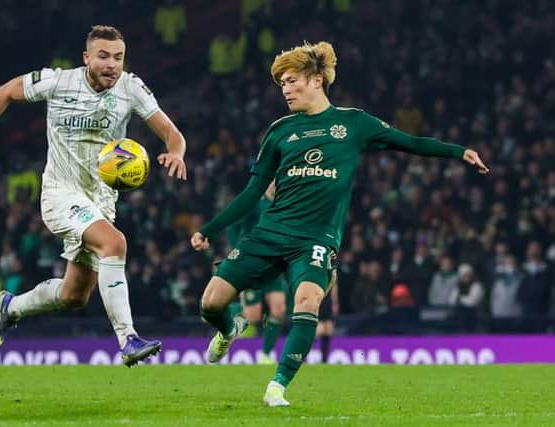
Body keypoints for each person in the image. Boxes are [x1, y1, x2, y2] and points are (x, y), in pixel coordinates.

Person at [191, 41, 488, 406]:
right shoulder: (280, 131)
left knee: (307, 300)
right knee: (210, 303)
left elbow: (408, 142)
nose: (285, 89)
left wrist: (459, 152)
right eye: (281, 83)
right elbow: (252, 192)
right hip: (270, 233)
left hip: (315, 238)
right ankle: (229, 329)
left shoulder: (353, 124)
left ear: (316, 80)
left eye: (291, 80)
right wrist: (209, 229)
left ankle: (277, 386)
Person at [0, 25, 187, 367]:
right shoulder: (58, 81)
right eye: (104, 56)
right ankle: (128, 339)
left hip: (101, 201)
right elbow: (5, 92)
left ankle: (11, 307)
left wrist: (176, 153)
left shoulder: (131, 87)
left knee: (74, 295)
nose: (112, 64)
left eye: (118, 57)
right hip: (60, 194)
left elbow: (172, 133)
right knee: (115, 244)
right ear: (86, 58)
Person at [228, 181, 288, 364]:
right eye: (273, 181)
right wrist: (236, 250)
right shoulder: (254, 203)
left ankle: (266, 354)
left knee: (279, 309)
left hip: (274, 265)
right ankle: (223, 310)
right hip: (252, 265)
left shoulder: (284, 205)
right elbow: (233, 226)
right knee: (253, 316)